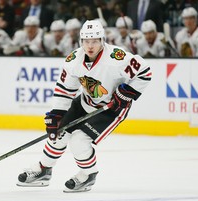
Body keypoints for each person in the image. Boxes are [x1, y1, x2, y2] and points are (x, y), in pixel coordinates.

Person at [17, 19, 152, 192]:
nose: (90, 46)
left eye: (95, 41)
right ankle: (44, 169)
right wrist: (57, 114)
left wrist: (126, 93)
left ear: (102, 40)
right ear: (81, 41)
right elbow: (65, 89)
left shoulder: (116, 58)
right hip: (85, 102)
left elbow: (144, 72)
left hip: (111, 109)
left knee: (79, 141)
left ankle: (88, 174)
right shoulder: (74, 60)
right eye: (86, 41)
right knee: (59, 133)